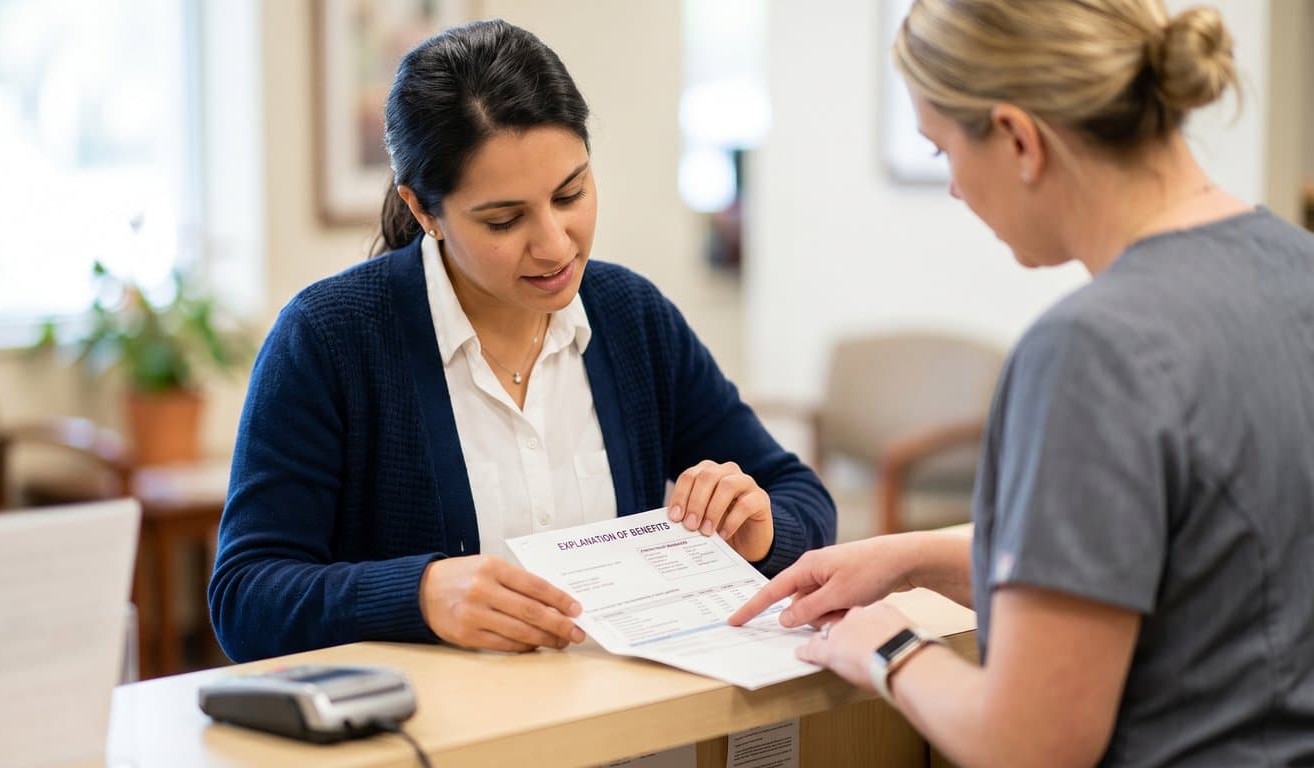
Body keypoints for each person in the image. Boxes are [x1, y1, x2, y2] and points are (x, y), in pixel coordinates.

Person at [731, 1, 1314, 766]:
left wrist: (888, 647)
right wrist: (913, 558)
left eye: (942, 152)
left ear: (1016, 138)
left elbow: (1030, 742)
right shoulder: (1295, 267)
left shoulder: (1093, 351)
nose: (955, 192)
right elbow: (1189, 555)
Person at [209, 19, 835, 663]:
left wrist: (761, 532)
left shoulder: (631, 318)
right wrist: (421, 594)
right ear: (425, 211)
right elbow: (245, 597)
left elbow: (803, 500)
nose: (556, 245)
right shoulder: (328, 338)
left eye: (571, 194)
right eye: (504, 220)